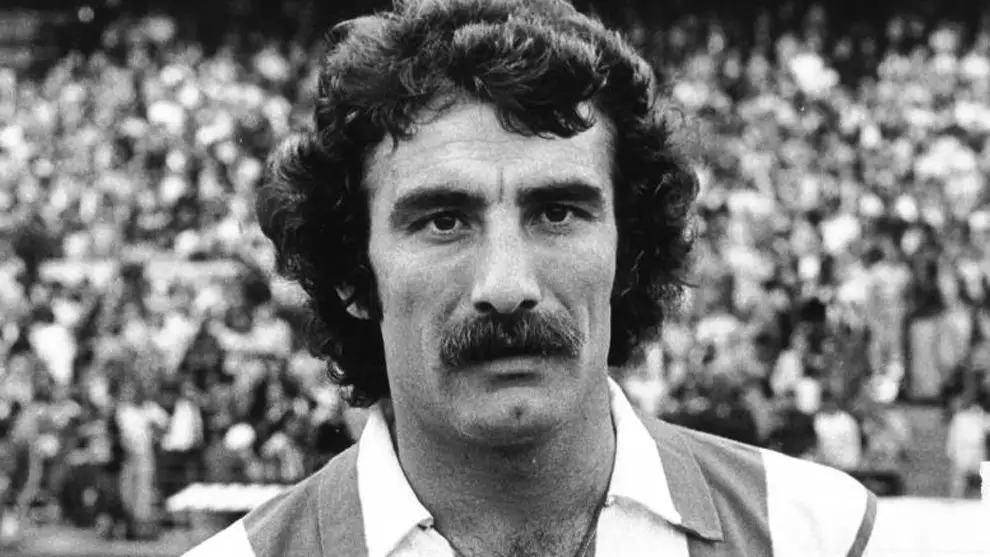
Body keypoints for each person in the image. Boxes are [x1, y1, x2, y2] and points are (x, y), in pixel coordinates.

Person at [183, 1, 879, 555]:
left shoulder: (818, 535)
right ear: (352, 276)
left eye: (557, 212)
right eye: (443, 220)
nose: (507, 284)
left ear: (628, 250)